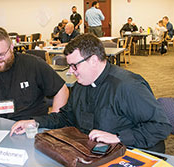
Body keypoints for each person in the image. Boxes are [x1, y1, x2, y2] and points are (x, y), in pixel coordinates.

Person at [11, 33, 172, 153]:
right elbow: (66, 117)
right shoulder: (82, 84)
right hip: (96, 152)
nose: (71, 72)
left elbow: (161, 126)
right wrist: (34, 122)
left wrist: (119, 137)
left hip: (132, 151)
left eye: (75, 66)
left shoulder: (128, 86)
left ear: (93, 60)